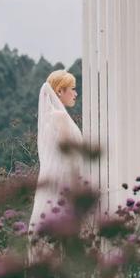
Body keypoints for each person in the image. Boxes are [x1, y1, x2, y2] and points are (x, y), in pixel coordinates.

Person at [29, 69, 83, 237]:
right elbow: (69, 152)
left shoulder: (48, 117)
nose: (76, 93)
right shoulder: (59, 116)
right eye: (72, 88)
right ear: (59, 91)